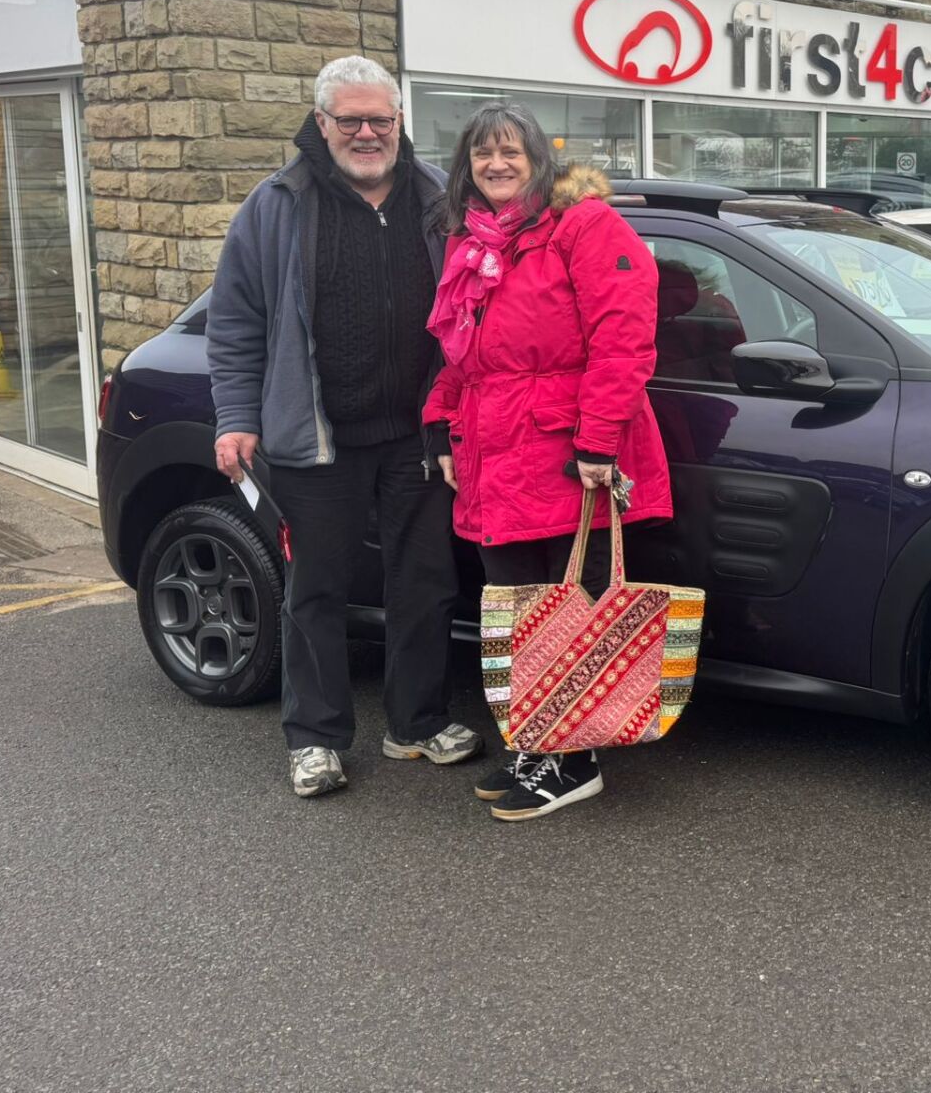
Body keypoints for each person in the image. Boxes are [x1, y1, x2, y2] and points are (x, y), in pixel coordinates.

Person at [209, 55, 483, 797]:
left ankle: (416, 723)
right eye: (351, 120)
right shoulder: (277, 205)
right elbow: (236, 323)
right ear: (321, 124)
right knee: (316, 589)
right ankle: (316, 737)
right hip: (316, 436)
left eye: (381, 120)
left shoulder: (438, 198)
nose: (368, 133)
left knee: (425, 583)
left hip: (417, 435)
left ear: (400, 122)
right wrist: (236, 417)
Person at [423, 103, 672, 822]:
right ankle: (541, 741)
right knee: (521, 609)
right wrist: (438, 425)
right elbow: (462, 357)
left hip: (566, 454)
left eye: (511, 152)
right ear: (466, 167)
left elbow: (624, 336)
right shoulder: (470, 243)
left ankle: (575, 761)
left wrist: (597, 441)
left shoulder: (583, 226)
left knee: (574, 608)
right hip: (495, 454)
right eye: (481, 155)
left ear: (539, 158)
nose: (496, 165)